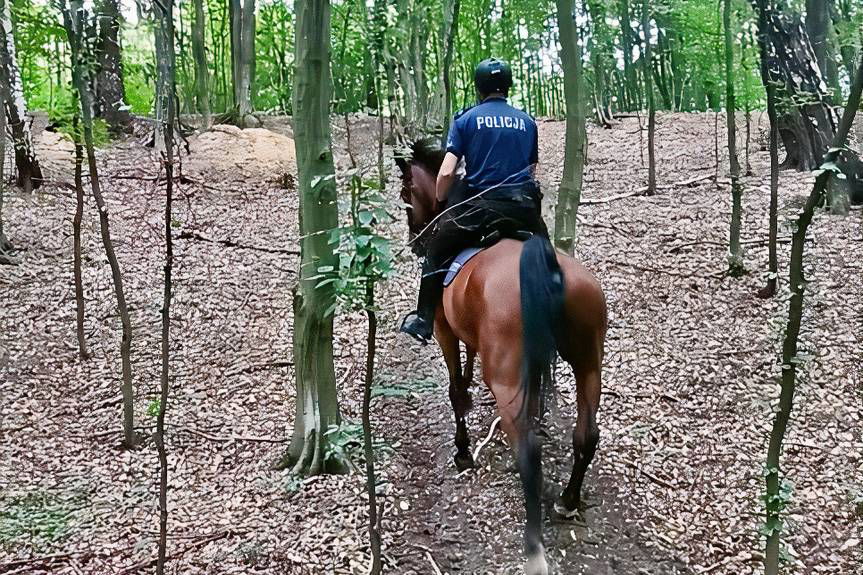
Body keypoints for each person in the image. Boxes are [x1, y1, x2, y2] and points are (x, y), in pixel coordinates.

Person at [400, 57, 548, 344]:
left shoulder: (465, 120)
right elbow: (531, 171)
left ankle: (422, 319)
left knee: (436, 249)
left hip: (481, 209)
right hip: (524, 210)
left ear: (479, 88)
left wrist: (442, 199)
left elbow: (446, 172)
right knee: (548, 253)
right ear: (508, 85)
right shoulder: (528, 122)